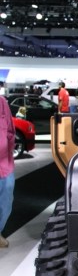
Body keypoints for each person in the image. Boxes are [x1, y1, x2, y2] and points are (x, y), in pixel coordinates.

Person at [0, 94, 15, 248]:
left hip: (4, 164)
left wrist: (8, 150)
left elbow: (10, 130)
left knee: (6, 201)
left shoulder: (2, 102)